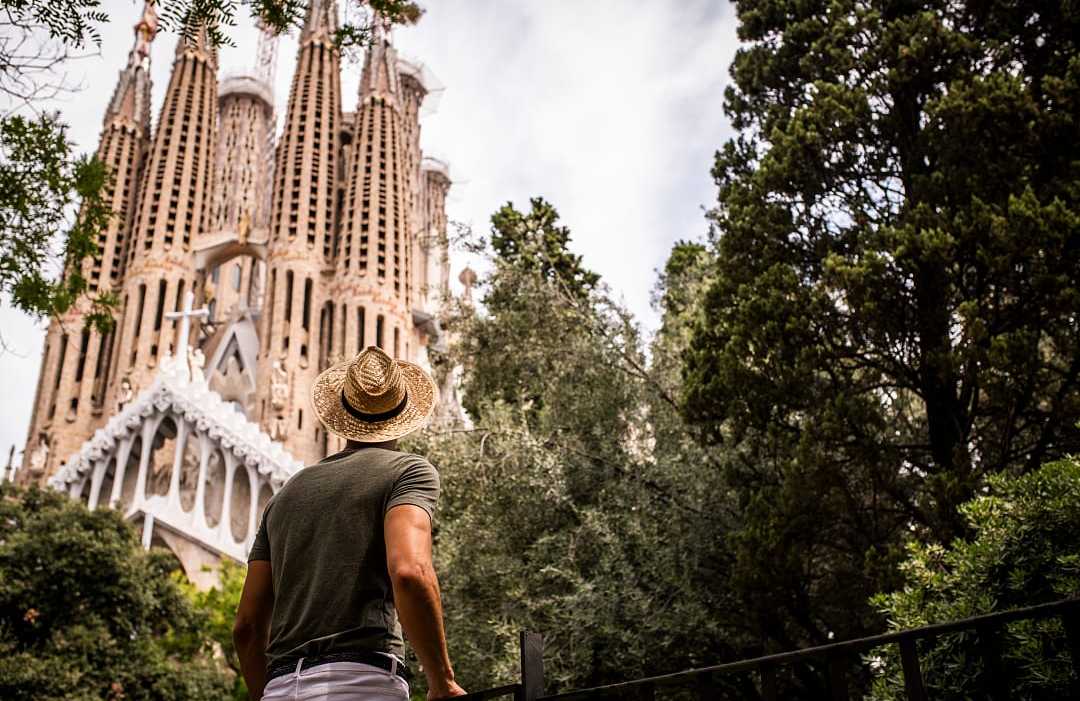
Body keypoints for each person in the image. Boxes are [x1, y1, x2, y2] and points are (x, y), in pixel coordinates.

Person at [233, 346, 467, 700]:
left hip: (279, 687)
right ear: (403, 414)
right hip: (361, 681)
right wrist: (442, 681)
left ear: (342, 412)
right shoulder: (409, 472)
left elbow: (247, 627)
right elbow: (410, 572)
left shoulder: (284, 497)